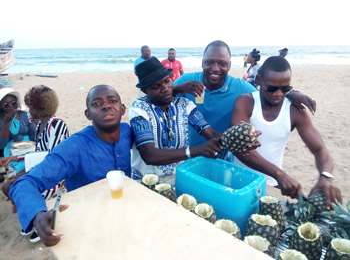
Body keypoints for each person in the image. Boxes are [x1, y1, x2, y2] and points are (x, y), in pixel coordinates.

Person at [9, 85, 132, 246]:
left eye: (112, 101)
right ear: (88, 114)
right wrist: (37, 215)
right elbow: (25, 183)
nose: (106, 106)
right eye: (96, 103)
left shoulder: (127, 131)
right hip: (88, 221)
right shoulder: (74, 147)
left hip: (124, 214)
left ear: (122, 109)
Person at [230, 56, 342, 207]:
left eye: (285, 88)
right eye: (272, 88)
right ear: (259, 80)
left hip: (271, 184)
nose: (278, 94)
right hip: (239, 180)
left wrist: (325, 176)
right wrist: (279, 174)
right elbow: (239, 147)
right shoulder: (246, 102)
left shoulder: (294, 111)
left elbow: (320, 149)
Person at [173, 40, 316, 154]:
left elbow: (266, 92)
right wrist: (177, 88)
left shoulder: (240, 88)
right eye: (209, 62)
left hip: (223, 156)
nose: (215, 68)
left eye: (222, 63)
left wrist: (290, 93)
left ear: (229, 66)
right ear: (202, 63)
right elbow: (157, 95)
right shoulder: (187, 81)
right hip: (188, 155)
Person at [129, 57, 223, 184]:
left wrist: (237, 139)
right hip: (147, 181)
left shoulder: (185, 104)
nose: (165, 88)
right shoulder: (139, 108)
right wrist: (195, 150)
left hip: (178, 178)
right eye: (156, 86)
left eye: (167, 81)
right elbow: (149, 155)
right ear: (144, 90)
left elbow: (210, 133)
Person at [2, 85, 70, 242]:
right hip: (42, 171)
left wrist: (25, 173)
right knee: (9, 186)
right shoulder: (40, 125)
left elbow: (54, 161)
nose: (28, 109)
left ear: (38, 107)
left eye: (30, 106)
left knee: (14, 185)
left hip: (56, 178)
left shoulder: (56, 125)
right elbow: (39, 152)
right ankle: (34, 220)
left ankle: (39, 221)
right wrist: (17, 161)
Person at [0, 87, 35, 172]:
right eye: (6, 104)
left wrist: (35, 122)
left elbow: (34, 137)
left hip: (29, 148)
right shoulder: (1, 120)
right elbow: (1, 145)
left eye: (13, 103)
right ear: (1, 106)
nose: (11, 106)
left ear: (17, 103)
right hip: (11, 152)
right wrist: (6, 123)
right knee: (22, 169)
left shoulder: (26, 115)